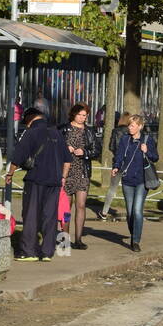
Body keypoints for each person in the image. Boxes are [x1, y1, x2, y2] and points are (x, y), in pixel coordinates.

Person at [5, 108, 69, 262]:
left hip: (36, 180)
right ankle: (47, 252)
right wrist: (63, 177)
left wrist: (10, 173)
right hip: (54, 181)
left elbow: (18, 156)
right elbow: (67, 159)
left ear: (30, 120)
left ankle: (29, 251)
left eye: (26, 123)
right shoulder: (56, 133)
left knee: (31, 215)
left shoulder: (31, 133)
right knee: (50, 216)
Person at [112, 113, 158, 252]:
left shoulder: (147, 140)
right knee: (130, 212)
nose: (129, 128)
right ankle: (133, 232)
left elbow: (155, 157)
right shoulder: (125, 139)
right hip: (127, 179)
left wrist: (147, 151)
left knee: (137, 211)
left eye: (132, 126)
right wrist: (116, 167)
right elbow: (119, 156)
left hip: (142, 180)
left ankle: (136, 240)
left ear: (140, 126)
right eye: (129, 125)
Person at [60, 103, 98, 250]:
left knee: (81, 206)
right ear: (73, 114)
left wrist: (85, 152)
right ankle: (64, 238)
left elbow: (96, 149)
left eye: (85, 115)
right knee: (66, 208)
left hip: (82, 172)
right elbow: (54, 146)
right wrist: (64, 148)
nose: (82, 118)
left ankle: (79, 239)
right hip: (66, 172)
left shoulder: (89, 131)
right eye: (80, 115)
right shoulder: (63, 129)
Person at [97, 112, 131, 221]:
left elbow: (111, 147)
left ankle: (104, 211)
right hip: (130, 163)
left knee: (112, 188)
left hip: (117, 162)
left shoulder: (115, 131)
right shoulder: (131, 131)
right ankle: (131, 211)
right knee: (129, 188)